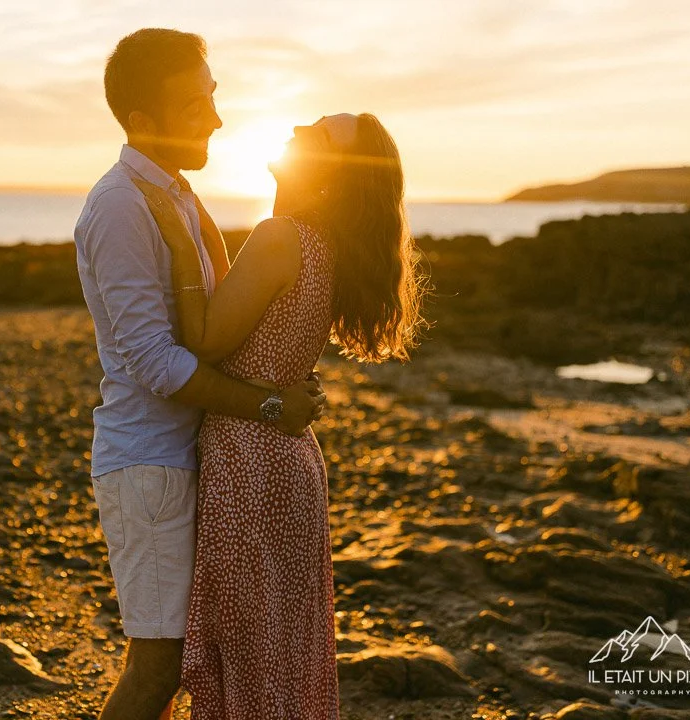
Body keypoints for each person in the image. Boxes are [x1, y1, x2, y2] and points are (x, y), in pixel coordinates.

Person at [72, 28, 327, 720]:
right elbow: (156, 363)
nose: (216, 118)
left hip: (190, 460)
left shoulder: (175, 194)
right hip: (150, 467)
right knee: (157, 667)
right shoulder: (122, 206)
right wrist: (269, 405)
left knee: (199, 658)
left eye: (213, 99)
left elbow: (213, 322)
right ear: (141, 122)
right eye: (195, 107)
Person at [143, 112, 428, 718]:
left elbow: (205, 340)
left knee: (245, 653)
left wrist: (179, 243)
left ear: (331, 172)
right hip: (289, 463)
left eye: (321, 134)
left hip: (248, 462)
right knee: (281, 650)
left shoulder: (282, 238)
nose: (301, 129)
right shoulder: (322, 245)